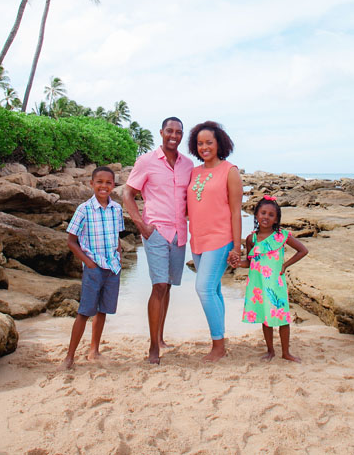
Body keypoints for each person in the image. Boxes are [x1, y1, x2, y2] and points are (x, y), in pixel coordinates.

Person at [124, 117, 194, 364]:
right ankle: (153, 347)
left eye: (178, 132)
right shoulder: (146, 161)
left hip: (179, 233)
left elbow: (193, 199)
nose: (173, 135)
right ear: (161, 133)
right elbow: (128, 193)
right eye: (169, 131)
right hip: (155, 232)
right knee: (159, 286)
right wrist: (140, 224)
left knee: (169, 286)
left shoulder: (188, 164)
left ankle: (161, 336)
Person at [186, 120, 243, 362]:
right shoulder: (194, 172)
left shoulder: (230, 171)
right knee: (215, 290)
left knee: (204, 288)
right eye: (200, 143)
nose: (204, 147)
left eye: (209, 142)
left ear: (219, 143)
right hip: (197, 239)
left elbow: (236, 211)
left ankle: (218, 346)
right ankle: (220, 338)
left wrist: (237, 247)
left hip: (220, 239)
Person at [60, 166, 124, 370]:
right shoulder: (84, 209)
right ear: (91, 184)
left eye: (108, 183)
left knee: (103, 310)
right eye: (99, 182)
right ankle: (69, 357)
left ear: (113, 186)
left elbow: (118, 237)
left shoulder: (117, 209)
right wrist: (88, 262)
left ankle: (94, 350)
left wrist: (118, 255)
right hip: (93, 266)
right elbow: (72, 241)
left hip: (112, 267)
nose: (104, 186)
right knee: (85, 311)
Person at [231, 195, 309, 362]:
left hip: (275, 283)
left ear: (276, 219)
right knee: (266, 318)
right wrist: (238, 264)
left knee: (282, 318)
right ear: (257, 215)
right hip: (258, 284)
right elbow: (251, 263)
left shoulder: (282, 236)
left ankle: (286, 352)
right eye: (263, 213)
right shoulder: (251, 238)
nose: (266, 217)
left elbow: (303, 251)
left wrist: (285, 265)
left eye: (271, 215)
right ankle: (270, 350)